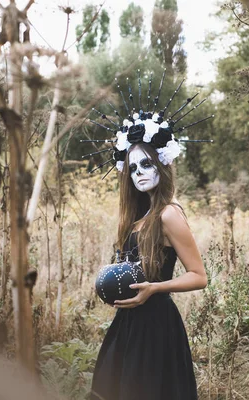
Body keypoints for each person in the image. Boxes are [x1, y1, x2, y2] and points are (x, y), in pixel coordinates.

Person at [90, 141, 207, 400]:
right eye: (132, 168)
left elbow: (199, 276)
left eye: (146, 164)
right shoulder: (137, 217)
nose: (139, 172)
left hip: (156, 322)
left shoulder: (169, 214)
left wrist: (154, 288)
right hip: (129, 321)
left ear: (162, 165)